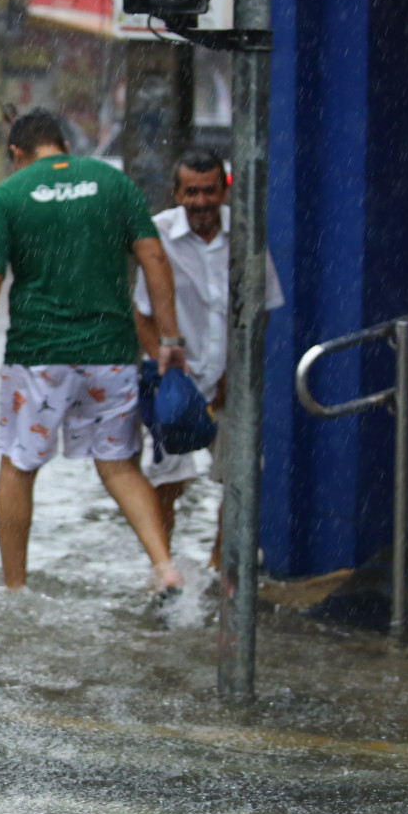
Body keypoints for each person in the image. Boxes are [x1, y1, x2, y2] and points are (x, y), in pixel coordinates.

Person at [0, 111, 189, 594]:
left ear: (17, 154)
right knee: (120, 467)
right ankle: (165, 568)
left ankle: (15, 590)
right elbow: (153, 257)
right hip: (110, 354)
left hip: (37, 356)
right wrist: (168, 341)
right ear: (63, 144)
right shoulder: (112, 182)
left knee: (19, 466)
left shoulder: (10, 194)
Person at [132, 149, 285, 567]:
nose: (201, 201)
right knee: (167, 480)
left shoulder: (246, 233)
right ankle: (163, 571)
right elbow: (142, 314)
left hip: (231, 380)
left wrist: (239, 371)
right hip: (177, 380)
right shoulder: (158, 234)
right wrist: (165, 375)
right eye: (192, 192)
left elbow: (263, 308)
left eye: (210, 191)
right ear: (177, 193)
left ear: (224, 190)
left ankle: (221, 567)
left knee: (241, 475)